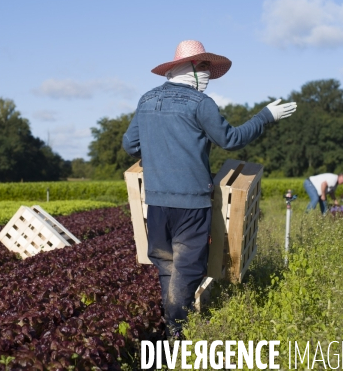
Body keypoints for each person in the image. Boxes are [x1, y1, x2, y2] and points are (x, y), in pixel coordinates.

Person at [121, 40, 297, 337]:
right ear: (188, 67)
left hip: (157, 201)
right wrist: (265, 117)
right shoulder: (200, 104)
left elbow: (130, 145)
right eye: (203, 66)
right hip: (192, 202)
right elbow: (231, 139)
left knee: (166, 263)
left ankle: (172, 322)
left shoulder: (147, 100)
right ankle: (177, 327)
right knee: (188, 266)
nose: (207, 74)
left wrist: (160, 148)